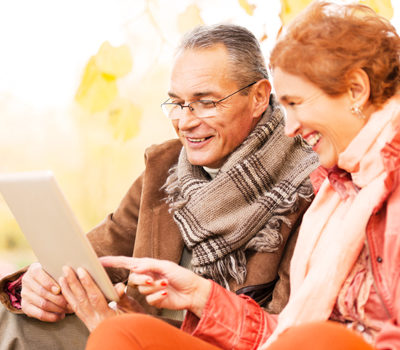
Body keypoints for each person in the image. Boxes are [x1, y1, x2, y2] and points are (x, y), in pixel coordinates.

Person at [65, 1, 400, 349]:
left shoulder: (316, 184)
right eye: (177, 103)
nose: (290, 128)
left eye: (297, 103)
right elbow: (281, 334)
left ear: (356, 91)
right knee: (118, 333)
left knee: (320, 339)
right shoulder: (338, 189)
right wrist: (201, 294)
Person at [0, 24, 318, 349]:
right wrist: (39, 281)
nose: (185, 120)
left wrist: (130, 332)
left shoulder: (307, 186)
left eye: (205, 102)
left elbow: (283, 333)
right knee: (11, 316)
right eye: (177, 103)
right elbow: (94, 257)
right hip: (127, 332)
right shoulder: (164, 167)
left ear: (259, 97)